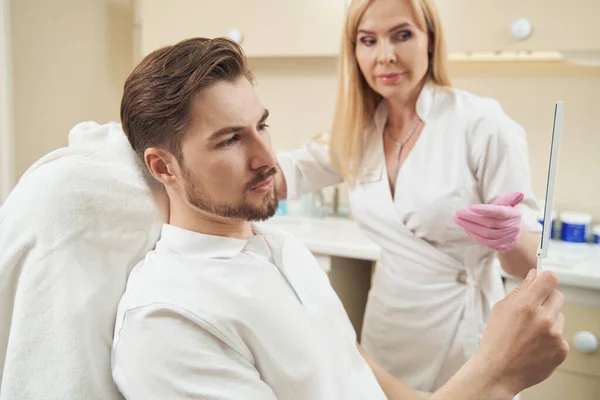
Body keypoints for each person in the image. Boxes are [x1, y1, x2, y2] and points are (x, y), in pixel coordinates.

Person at [111, 36, 568, 400]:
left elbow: (351, 367)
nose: (267, 157)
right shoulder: (168, 324)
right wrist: (496, 376)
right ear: (163, 167)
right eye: (230, 140)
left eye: (262, 126)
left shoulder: (286, 252)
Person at [275, 0, 543, 391]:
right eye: (368, 40)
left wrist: (511, 236)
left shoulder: (481, 124)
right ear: (354, 52)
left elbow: (533, 263)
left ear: (430, 41)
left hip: (462, 332)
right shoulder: (359, 131)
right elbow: (285, 171)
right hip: (388, 326)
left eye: (402, 35)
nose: (385, 56)